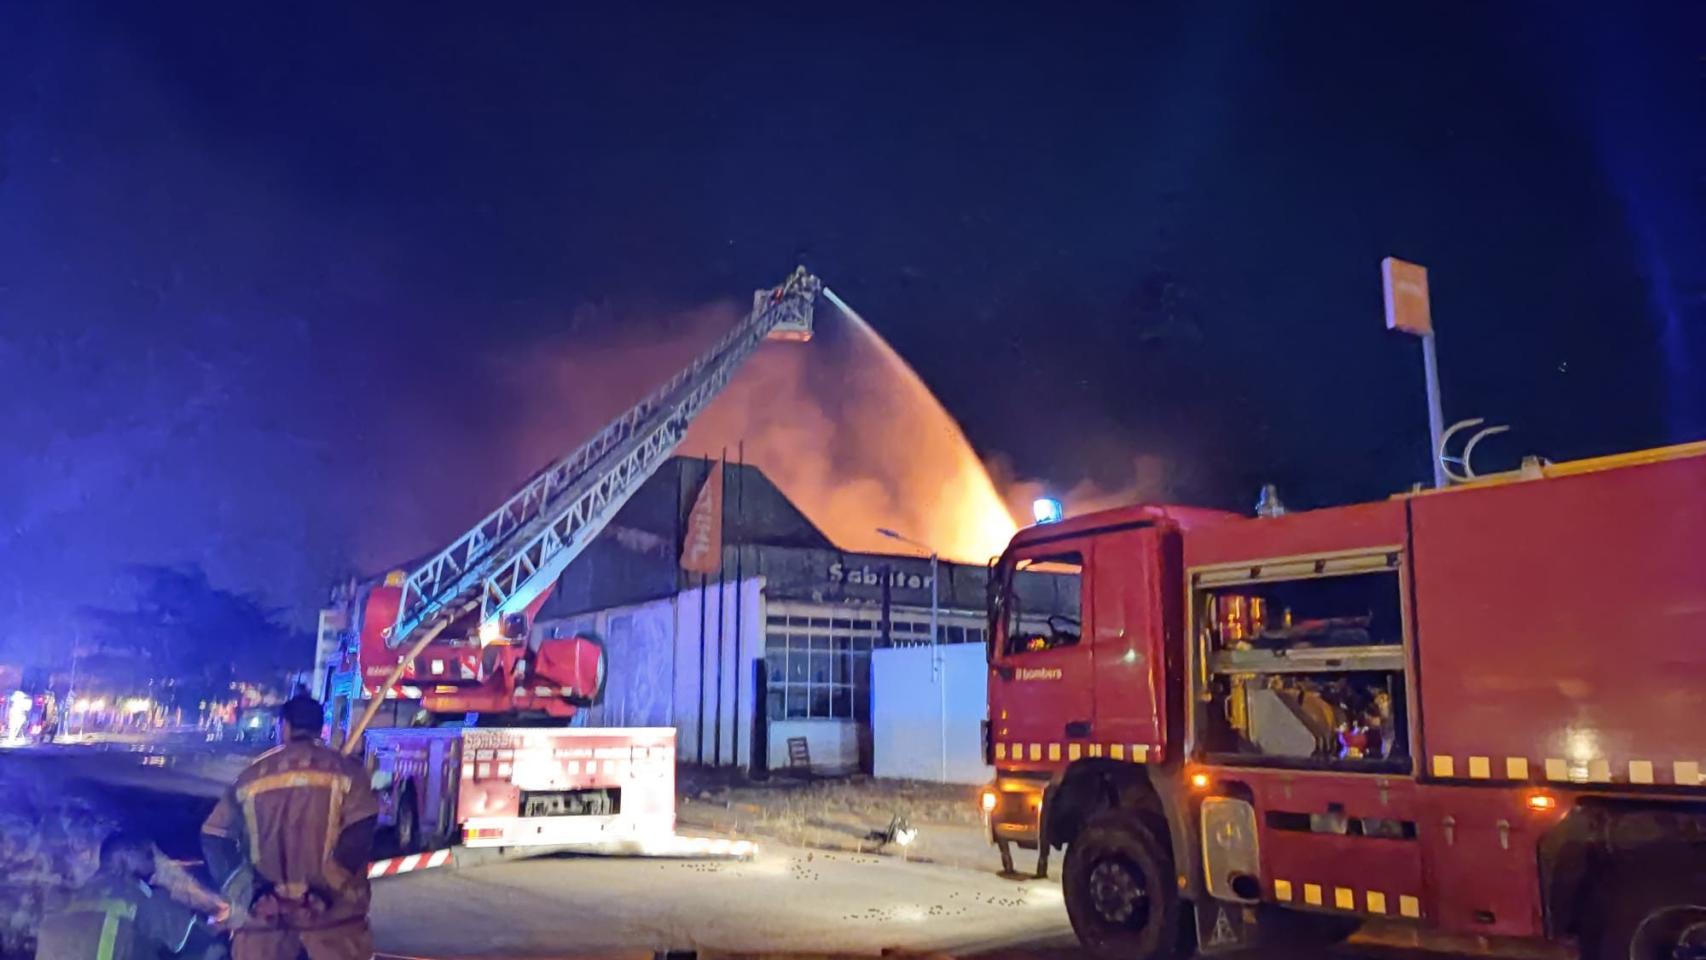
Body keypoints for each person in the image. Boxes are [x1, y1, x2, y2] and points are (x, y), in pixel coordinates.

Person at [200, 695, 378, 960]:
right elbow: (360, 831)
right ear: (320, 728)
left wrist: (253, 894)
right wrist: (323, 891)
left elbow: (214, 836)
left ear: (285, 726)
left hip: (264, 929)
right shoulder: (349, 773)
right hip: (333, 928)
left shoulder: (252, 776)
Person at [35, 832, 216, 960]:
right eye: (148, 857)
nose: (153, 867)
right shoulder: (135, 894)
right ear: (126, 857)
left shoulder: (73, 896)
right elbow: (196, 937)